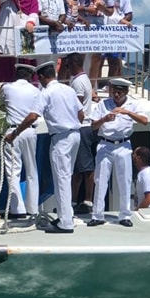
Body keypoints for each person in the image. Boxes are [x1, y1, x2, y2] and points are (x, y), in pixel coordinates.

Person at [5, 61, 83, 233]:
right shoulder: (68, 89)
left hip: (61, 137)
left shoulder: (46, 93)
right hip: (75, 135)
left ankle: (65, 223)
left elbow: (33, 116)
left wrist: (15, 133)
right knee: (66, 177)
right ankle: (65, 215)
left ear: (40, 77)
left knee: (61, 179)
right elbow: (81, 113)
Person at [88, 78, 148, 227]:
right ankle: (97, 215)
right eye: (114, 90)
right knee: (100, 180)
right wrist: (104, 119)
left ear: (126, 91)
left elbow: (145, 120)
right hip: (105, 144)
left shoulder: (133, 105)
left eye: (119, 91)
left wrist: (127, 112)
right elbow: (93, 126)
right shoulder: (103, 104)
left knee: (125, 181)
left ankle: (124, 215)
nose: (116, 94)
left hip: (123, 145)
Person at [0, 62, 41, 221]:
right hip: (30, 130)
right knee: (32, 170)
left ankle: (17, 209)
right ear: (31, 76)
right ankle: (32, 208)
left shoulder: (7, 88)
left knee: (13, 171)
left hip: (13, 131)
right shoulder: (35, 90)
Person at [75, 0, 115, 87]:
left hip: (98, 26)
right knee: (81, 56)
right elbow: (74, 6)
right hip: (83, 25)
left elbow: (110, 11)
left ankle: (92, 87)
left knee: (97, 58)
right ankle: (79, 85)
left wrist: (101, 8)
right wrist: (85, 10)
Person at [67, 52, 95, 215]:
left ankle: (87, 201)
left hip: (82, 127)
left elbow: (77, 109)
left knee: (86, 167)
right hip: (83, 127)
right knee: (77, 169)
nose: (67, 68)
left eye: (68, 65)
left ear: (74, 64)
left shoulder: (78, 82)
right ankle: (73, 200)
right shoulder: (84, 79)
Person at [103, 0, 133, 78]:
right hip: (102, 30)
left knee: (115, 60)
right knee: (98, 59)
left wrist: (120, 23)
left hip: (116, 34)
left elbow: (129, 14)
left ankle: (112, 83)